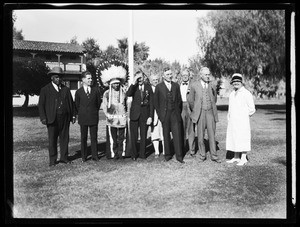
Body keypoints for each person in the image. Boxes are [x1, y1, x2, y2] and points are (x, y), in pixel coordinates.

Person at [38, 66, 76, 167]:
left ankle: (64, 158)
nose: (58, 79)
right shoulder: (45, 90)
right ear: (52, 78)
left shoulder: (66, 90)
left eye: (60, 77)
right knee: (52, 140)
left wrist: (73, 116)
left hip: (64, 119)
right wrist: (43, 118)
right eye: (56, 77)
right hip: (52, 119)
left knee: (64, 139)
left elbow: (71, 103)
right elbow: (41, 105)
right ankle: (53, 160)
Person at [187, 67, 221, 163]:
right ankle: (202, 155)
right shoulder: (194, 85)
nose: (207, 76)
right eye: (206, 75)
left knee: (212, 134)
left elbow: (214, 99)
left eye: (208, 74)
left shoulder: (212, 85)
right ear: (201, 75)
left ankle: (214, 155)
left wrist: (210, 106)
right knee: (200, 135)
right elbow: (190, 100)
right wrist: (197, 108)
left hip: (210, 112)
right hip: (200, 112)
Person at [153, 67, 184, 163]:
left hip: (175, 114)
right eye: (167, 74)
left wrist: (178, 113)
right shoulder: (159, 87)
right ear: (163, 76)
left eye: (170, 74)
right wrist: (161, 116)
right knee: (165, 135)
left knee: (177, 135)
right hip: (165, 115)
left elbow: (179, 101)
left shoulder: (176, 86)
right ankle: (167, 155)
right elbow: (156, 103)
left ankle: (179, 156)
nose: (170, 76)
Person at [226, 73, 256, 166]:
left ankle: (243, 158)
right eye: (234, 81)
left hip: (242, 121)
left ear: (241, 82)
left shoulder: (246, 94)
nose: (236, 83)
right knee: (234, 137)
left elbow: (252, 109)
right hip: (233, 121)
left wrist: (243, 116)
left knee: (243, 138)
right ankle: (236, 157)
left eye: (238, 81)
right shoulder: (231, 94)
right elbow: (230, 108)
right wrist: (230, 116)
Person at [100, 65, 128, 160]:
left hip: (122, 119)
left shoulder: (123, 92)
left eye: (117, 84)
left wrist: (125, 113)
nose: (116, 85)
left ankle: (121, 153)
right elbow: (104, 105)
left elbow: (126, 104)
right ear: (111, 84)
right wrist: (107, 114)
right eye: (114, 84)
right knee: (113, 138)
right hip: (112, 119)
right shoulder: (107, 94)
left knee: (121, 137)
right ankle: (113, 153)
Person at [75, 71, 102, 163]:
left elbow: (98, 104)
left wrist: (93, 111)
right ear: (83, 80)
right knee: (83, 138)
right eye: (88, 78)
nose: (90, 80)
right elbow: (77, 105)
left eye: (91, 78)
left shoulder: (96, 91)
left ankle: (95, 155)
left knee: (94, 137)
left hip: (93, 117)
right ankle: (84, 156)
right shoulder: (78, 92)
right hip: (83, 118)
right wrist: (83, 113)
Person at [126, 70, 154, 160]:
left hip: (145, 114)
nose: (139, 79)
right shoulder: (134, 87)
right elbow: (128, 94)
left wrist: (150, 116)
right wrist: (133, 83)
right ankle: (134, 154)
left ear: (144, 77)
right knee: (133, 136)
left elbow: (151, 103)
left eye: (141, 77)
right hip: (135, 114)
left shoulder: (148, 87)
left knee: (143, 135)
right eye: (137, 78)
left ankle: (142, 154)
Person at [180, 68, 196, 157]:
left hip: (190, 107)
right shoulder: (178, 85)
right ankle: (182, 149)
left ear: (189, 76)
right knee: (181, 129)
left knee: (191, 130)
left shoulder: (193, 85)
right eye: (183, 75)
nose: (185, 77)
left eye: (186, 75)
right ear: (181, 76)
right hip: (181, 107)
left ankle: (192, 150)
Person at [149, 73, 165, 158]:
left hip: (162, 113)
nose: (155, 81)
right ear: (150, 81)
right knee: (154, 132)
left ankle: (165, 151)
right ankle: (157, 152)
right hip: (153, 114)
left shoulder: (162, 88)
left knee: (163, 132)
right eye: (153, 80)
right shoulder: (149, 89)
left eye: (156, 80)